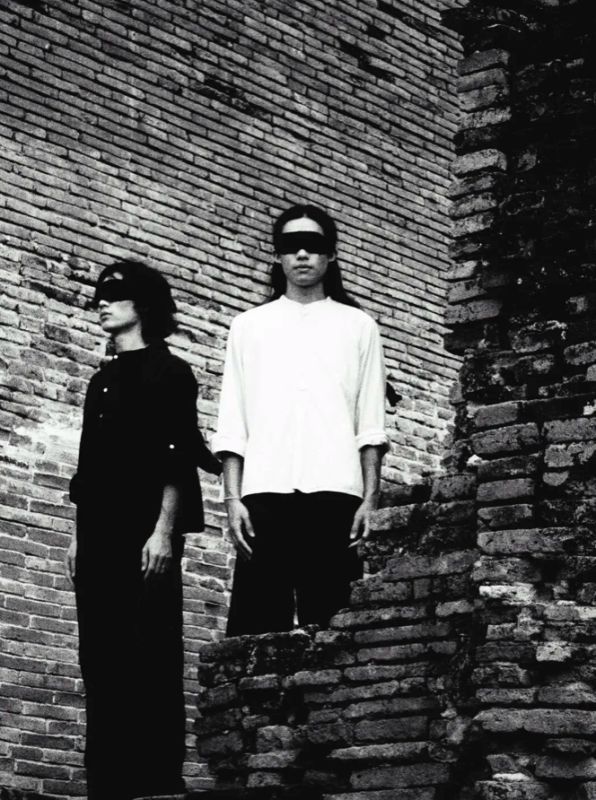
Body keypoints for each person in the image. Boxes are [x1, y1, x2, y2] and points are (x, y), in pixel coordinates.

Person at [65, 259, 220, 800]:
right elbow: (88, 465)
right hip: (98, 533)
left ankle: (153, 783)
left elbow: (176, 456)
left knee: (148, 649)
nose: (102, 304)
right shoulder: (101, 381)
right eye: (99, 296)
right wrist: (78, 535)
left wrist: (164, 531)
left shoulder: (170, 372)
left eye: (115, 295)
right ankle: (106, 785)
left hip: (146, 532)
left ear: (145, 304)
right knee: (99, 655)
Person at [213, 204, 388, 636]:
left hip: (336, 493)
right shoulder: (248, 326)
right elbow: (233, 421)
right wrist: (232, 499)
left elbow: (370, 423)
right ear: (277, 255)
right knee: (255, 629)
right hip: (264, 491)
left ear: (332, 254)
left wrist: (370, 498)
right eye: (292, 245)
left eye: (314, 245)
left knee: (334, 627)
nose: (303, 254)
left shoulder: (359, 326)